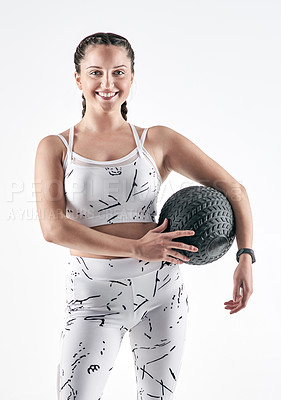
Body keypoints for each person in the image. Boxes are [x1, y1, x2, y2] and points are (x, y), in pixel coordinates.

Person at [34, 32, 254, 400]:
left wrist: (245, 256)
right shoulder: (55, 147)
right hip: (93, 297)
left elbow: (235, 191)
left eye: (119, 72)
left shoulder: (157, 140)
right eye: (95, 73)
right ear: (78, 79)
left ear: (132, 78)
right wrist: (136, 248)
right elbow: (53, 228)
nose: (108, 84)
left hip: (162, 294)